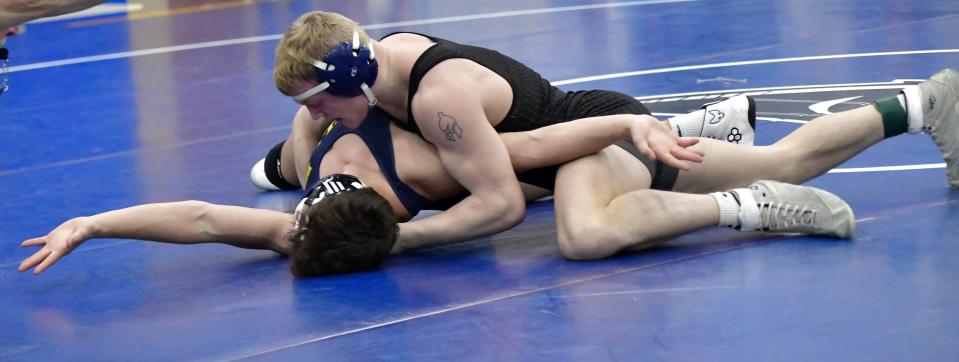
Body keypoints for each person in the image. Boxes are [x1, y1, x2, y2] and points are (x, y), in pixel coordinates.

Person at [267, 11, 756, 250]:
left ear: (353, 81)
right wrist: (301, 165)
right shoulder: (382, 61)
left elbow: (501, 206)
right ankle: (691, 128)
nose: (314, 114)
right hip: (556, 146)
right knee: (464, 168)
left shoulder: (437, 101)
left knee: (583, 238)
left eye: (317, 102)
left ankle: (745, 206)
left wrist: (400, 239)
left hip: (589, 145)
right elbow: (305, 123)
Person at [17, 108, 708, 276]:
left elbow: (200, 219)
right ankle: (689, 133)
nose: (291, 222)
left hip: (522, 139)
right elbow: (199, 218)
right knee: (522, 180)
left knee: (273, 170)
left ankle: (682, 130)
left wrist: (94, 221)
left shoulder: (310, 216)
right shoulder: (405, 180)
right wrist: (90, 222)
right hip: (493, 148)